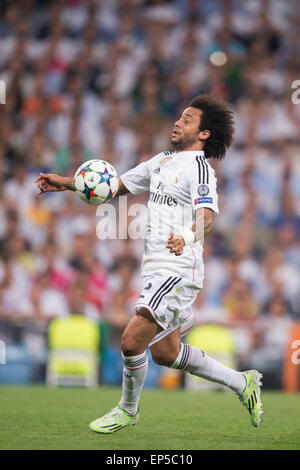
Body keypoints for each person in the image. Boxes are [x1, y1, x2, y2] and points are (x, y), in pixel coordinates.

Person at [35, 94, 263, 432]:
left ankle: (128, 409)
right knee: (166, 353)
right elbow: (115, 186)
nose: (177, 122)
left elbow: (207, 218)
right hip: (155, 269)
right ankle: (242, 384)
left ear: (203, 134)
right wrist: (67, 184)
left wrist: (185, 237)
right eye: (179, 116)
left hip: (178, 269)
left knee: (130, 341)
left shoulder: (199, 168)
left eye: (187, 119)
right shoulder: (162, 161)